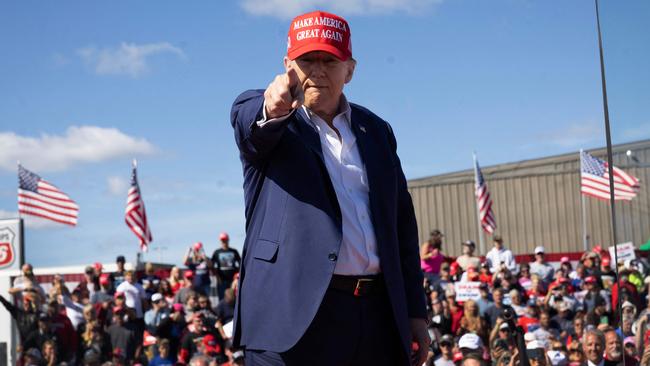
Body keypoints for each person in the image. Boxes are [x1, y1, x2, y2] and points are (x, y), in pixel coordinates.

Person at [230, 9, 429, 366]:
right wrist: (271, 109)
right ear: (288, 65)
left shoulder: (377, 130)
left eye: (329, 60)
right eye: (307, 60)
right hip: (292, 319)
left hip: (377, 315)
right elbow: (250, 128)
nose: (318, 71)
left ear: (349, 69)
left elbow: (401, 226)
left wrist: (414, 311)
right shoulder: (269, 116)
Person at [211, 232, 242, 300]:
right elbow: (212, 266)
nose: (224, 242)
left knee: (234, 297)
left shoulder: (234, 251)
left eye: (225, 240)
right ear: (220, 241)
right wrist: (217, 277)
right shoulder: (217, 252)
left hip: (233, 279)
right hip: (221, 280)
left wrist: (237, 277)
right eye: (222, 240)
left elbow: (240, 264)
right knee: (222, 297)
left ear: (228, 240)